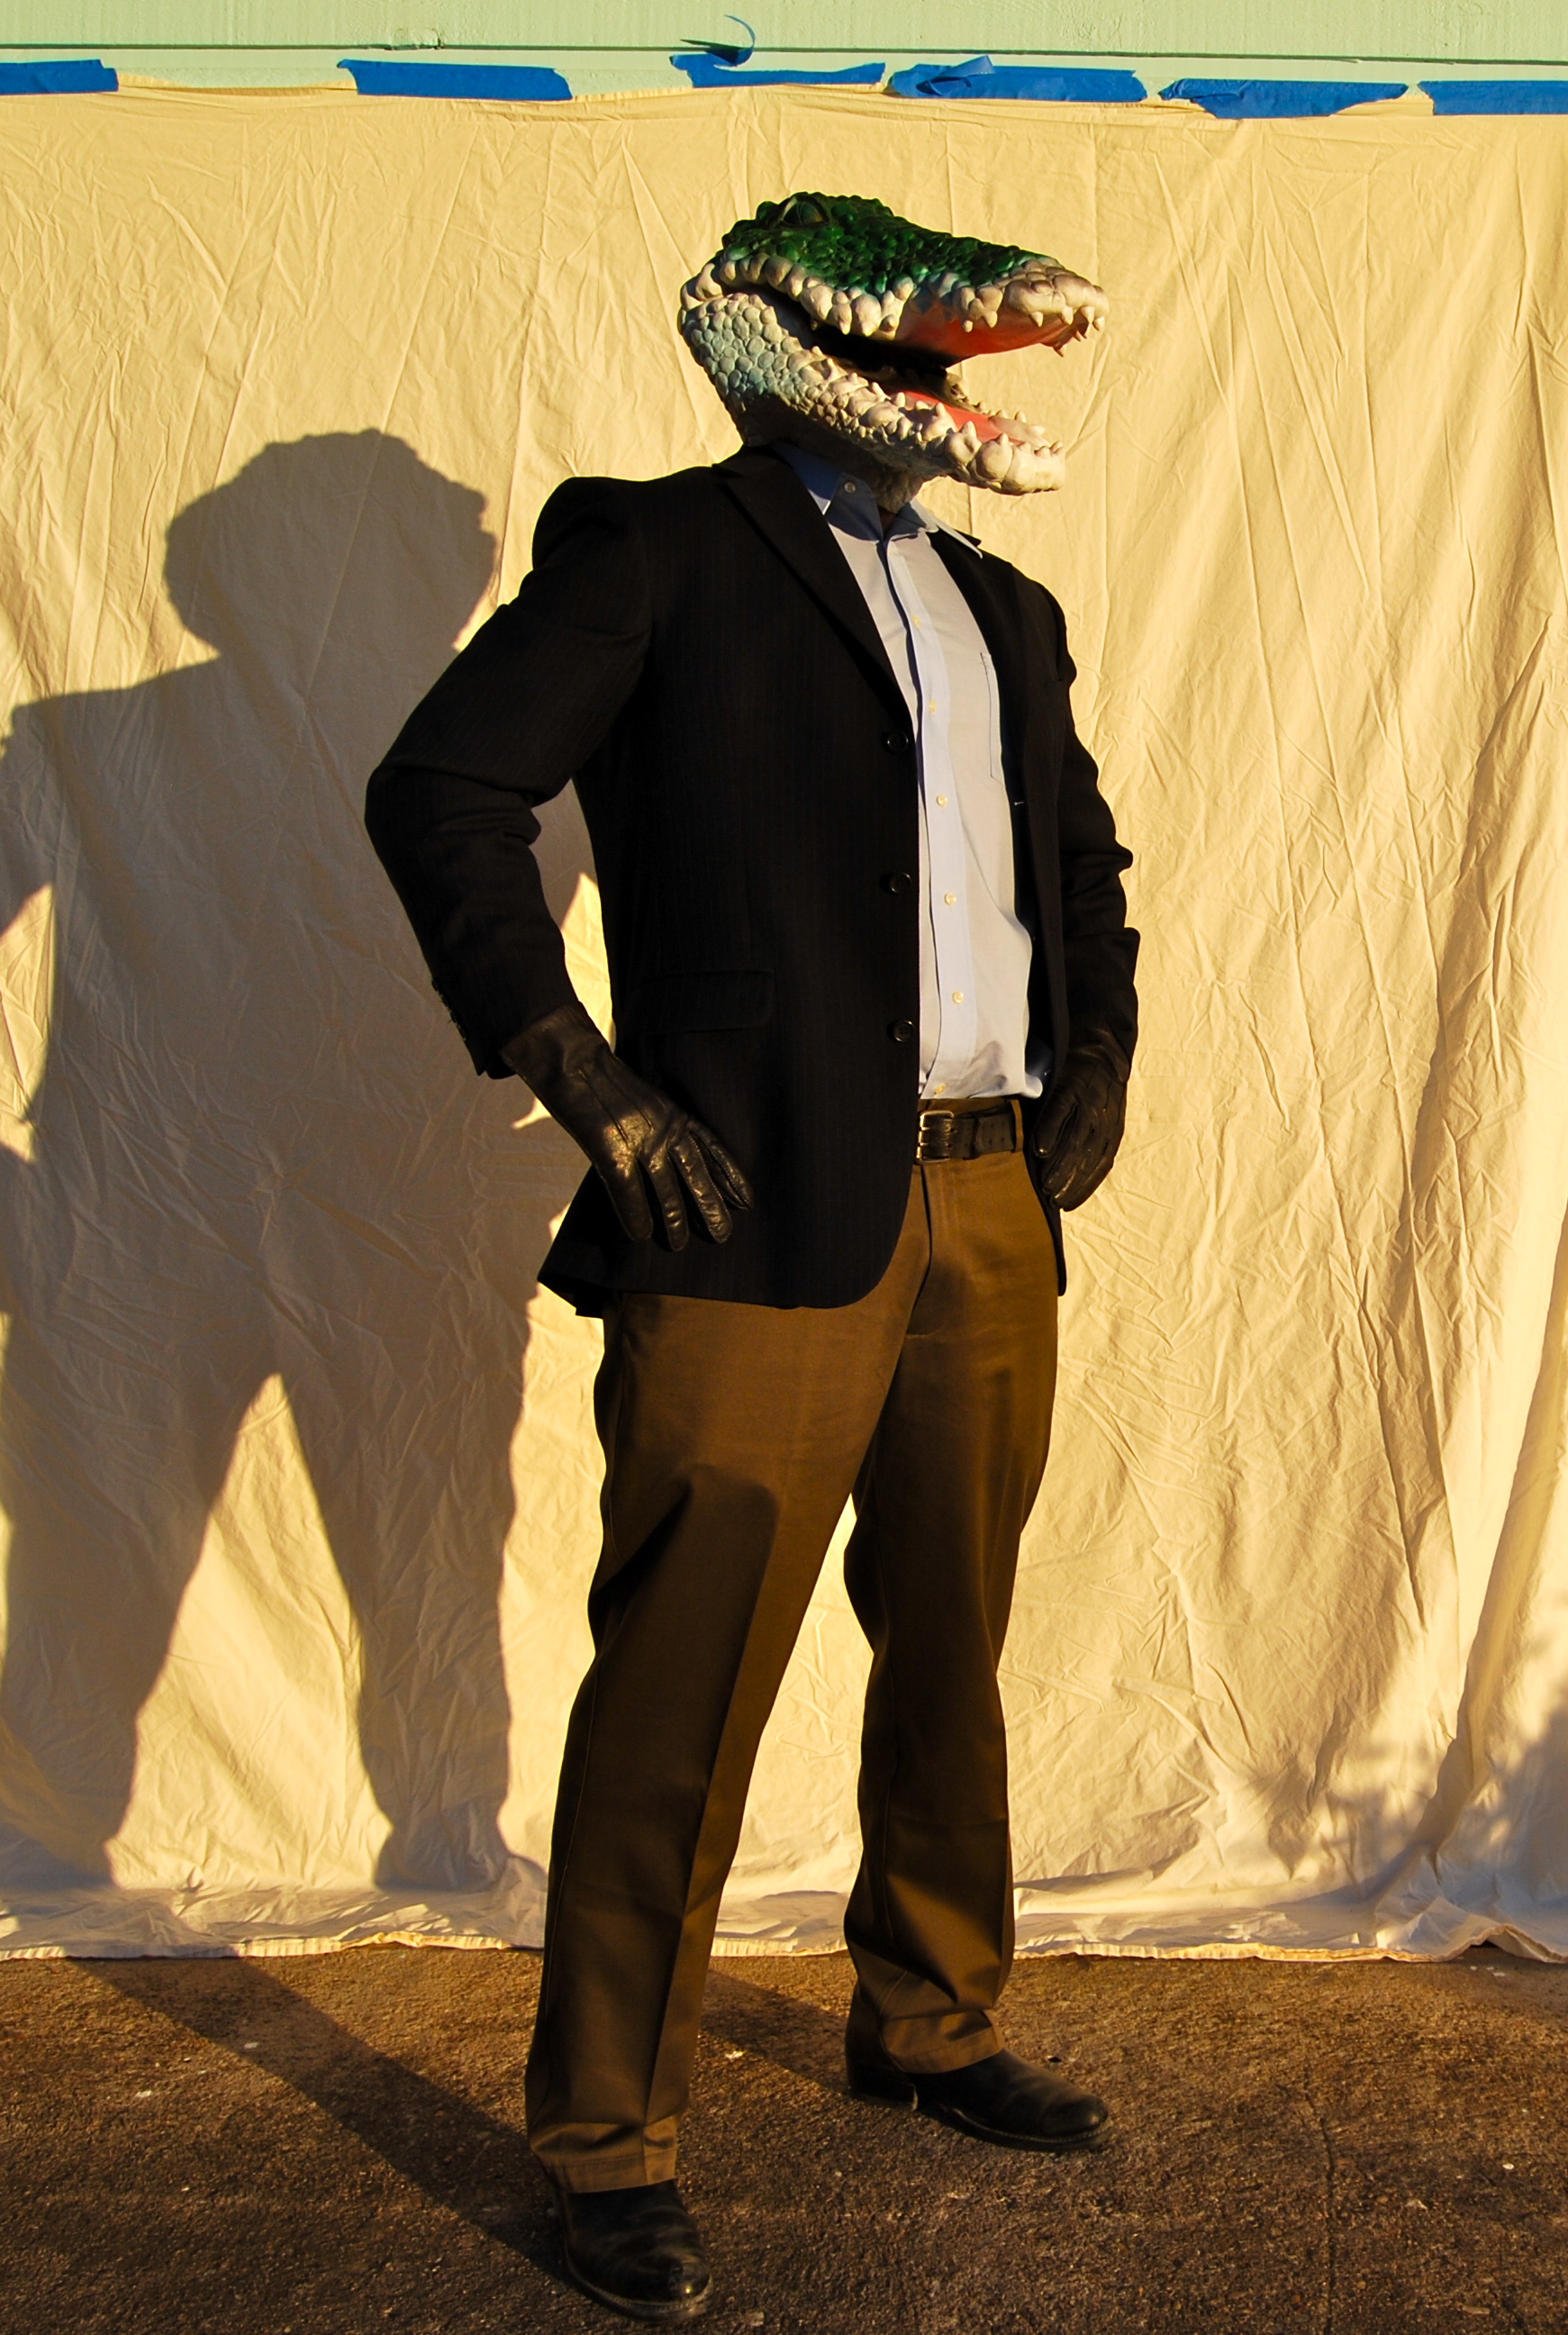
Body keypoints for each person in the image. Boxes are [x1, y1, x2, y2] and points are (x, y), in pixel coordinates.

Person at [365, 193, 1137, 2325]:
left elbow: (1081, 863)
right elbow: (442, 790)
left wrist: (1095, 1068)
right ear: (759, 329)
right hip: (742, 1206)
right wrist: (577, 1072)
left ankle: (934, 2018)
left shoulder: (1007, 609)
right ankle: (609, 2137)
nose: (931, 370)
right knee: (686, 1675)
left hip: (987, 1199)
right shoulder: (653, 553)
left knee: (953, 1635)